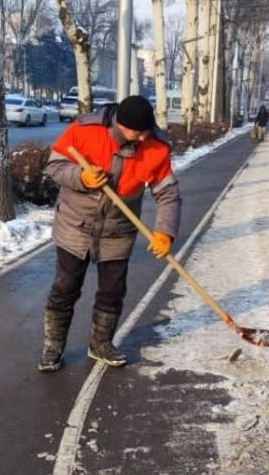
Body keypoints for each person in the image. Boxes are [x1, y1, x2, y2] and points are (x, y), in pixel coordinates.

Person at [39, 96, 182, 371]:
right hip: (75, 223)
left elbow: (168, 193)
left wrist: (165, 231)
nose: (141, 138)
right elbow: (54, 166)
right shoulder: (85, 130)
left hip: (118, 229)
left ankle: (101, 343)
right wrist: (81, 177)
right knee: (65, 288)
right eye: (134, 132)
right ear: (119, 124)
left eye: (145, 131)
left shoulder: (156, 147)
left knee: (113, 291)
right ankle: (52, 346)